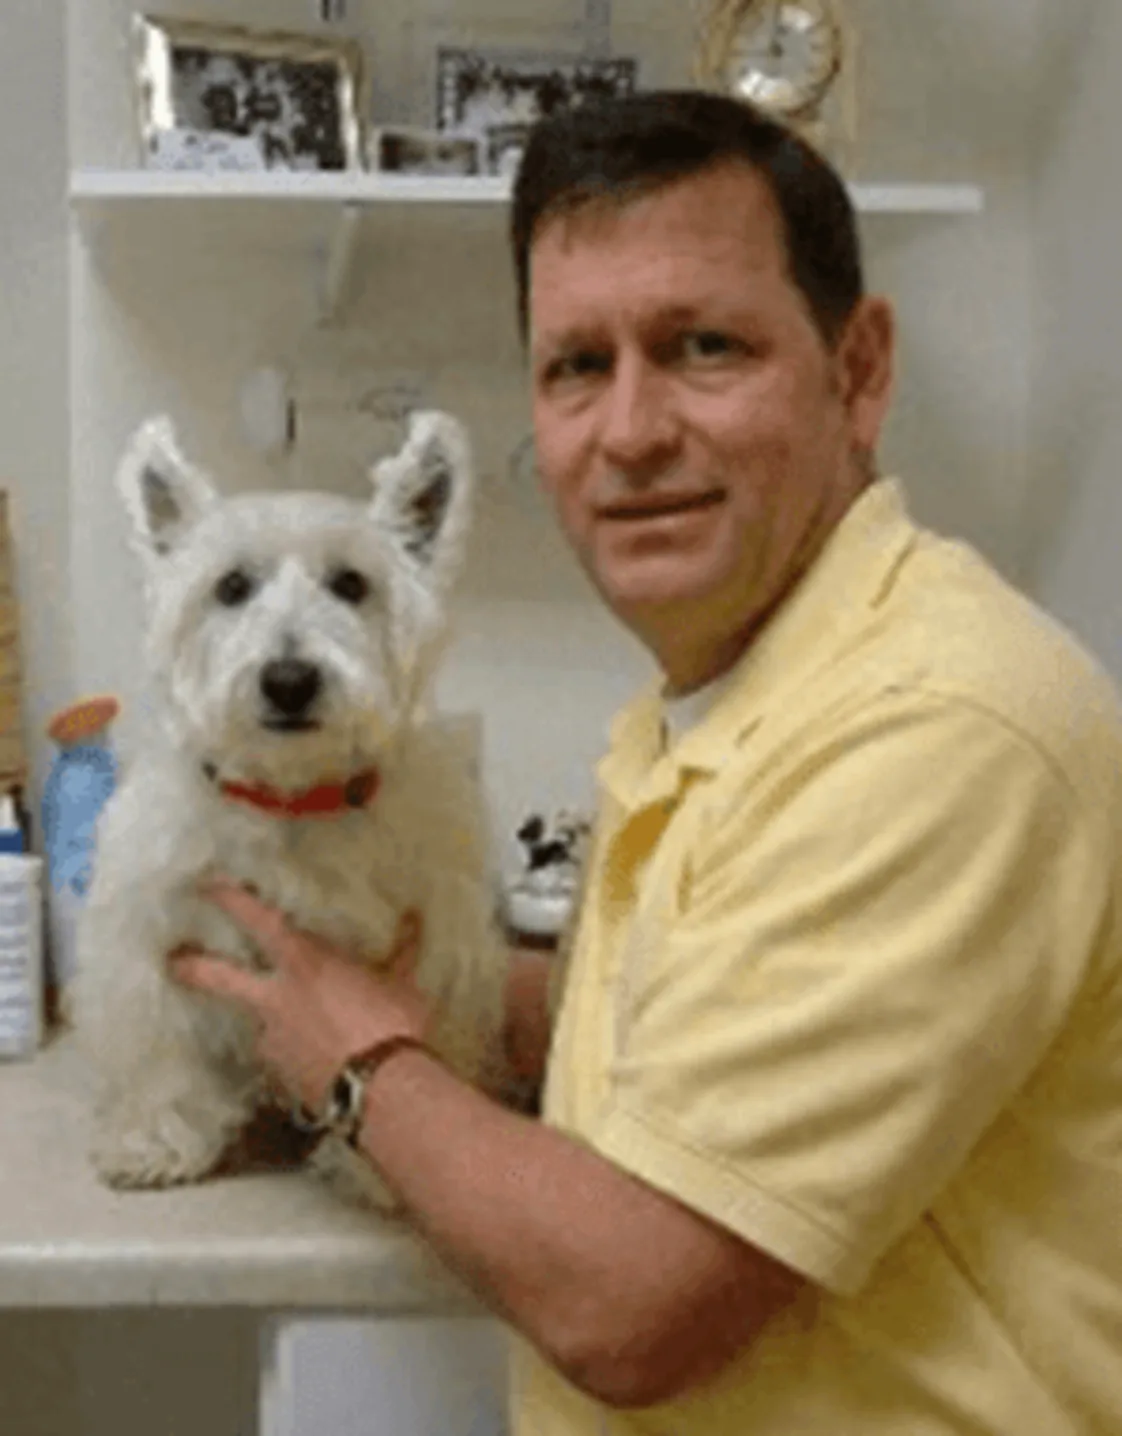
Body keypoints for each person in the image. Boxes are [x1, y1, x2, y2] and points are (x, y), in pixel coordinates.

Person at [170, 90, 1122, 1433]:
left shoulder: (942, 722)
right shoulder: (730, 693)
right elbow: (724, 1018)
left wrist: (364, 1062)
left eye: (702, 346)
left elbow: (631, 1301)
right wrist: (450, 975)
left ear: (858, 370)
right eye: (574, 365)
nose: (627, 432)